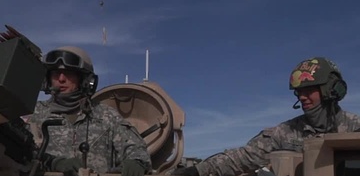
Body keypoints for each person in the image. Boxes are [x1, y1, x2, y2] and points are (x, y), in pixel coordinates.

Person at [172, 57, 360, 176]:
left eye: (309, 90)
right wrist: (198, 170)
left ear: (331, 90)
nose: (302, 97)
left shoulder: (355, 128)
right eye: (299, 92)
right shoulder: (285, 133)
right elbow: (243, 157)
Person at [28, 46, 152, 176]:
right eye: (55, 74)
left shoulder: (106, 115)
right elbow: (22, 153)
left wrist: (136, 162)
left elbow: (136, 149)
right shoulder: (35, 114)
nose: (61, 79)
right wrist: (54, 162)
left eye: (69, 73)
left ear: (86, 80)